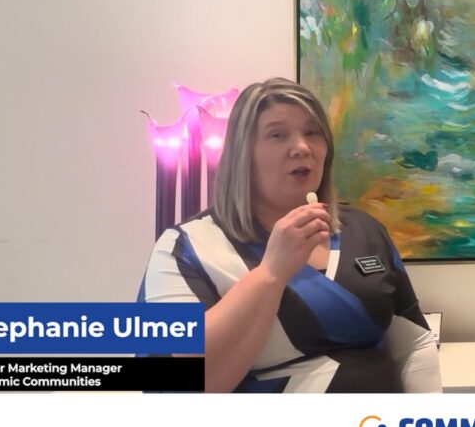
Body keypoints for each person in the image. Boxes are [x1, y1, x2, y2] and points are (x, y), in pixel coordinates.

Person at [138, 77, 442, 393]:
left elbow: (414, 344)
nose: (301, 148)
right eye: (277, 135)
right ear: (243, 154)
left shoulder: (365, 231)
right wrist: (272, 272)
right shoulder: (185, 248)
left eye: (312, 133)